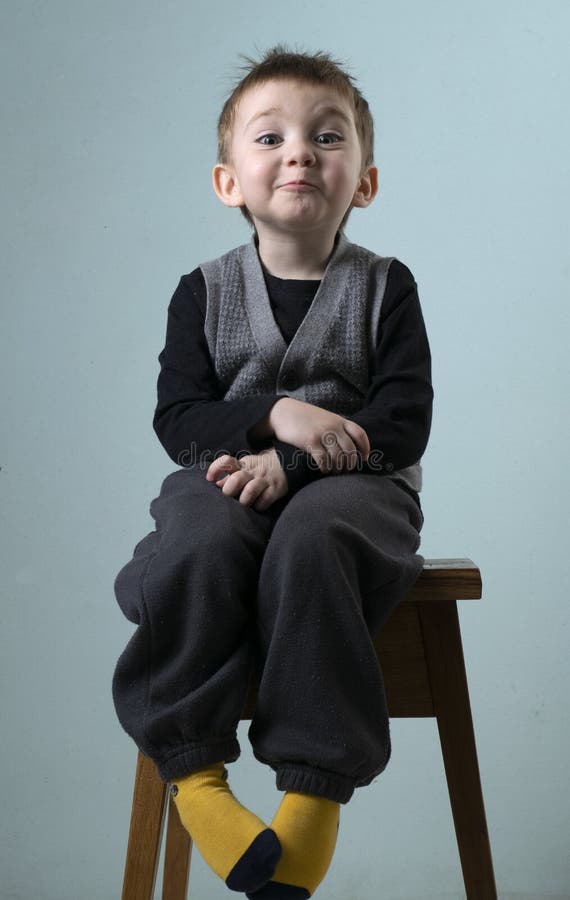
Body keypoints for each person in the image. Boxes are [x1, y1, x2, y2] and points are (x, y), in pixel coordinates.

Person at [112, 45, 433, 899]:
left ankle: (311, 797)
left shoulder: (386, 288)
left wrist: (295, 464)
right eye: (272, 138)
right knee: (193, 539)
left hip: (357, 492)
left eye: (327, 138)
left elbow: (403, 420)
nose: (299, 152)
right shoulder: (201, 292)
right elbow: (178, 416)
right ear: (230, 182)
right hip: (227, 480)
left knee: (312, 538)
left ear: (362, 183)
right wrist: (273, 414)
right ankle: (196, 778)